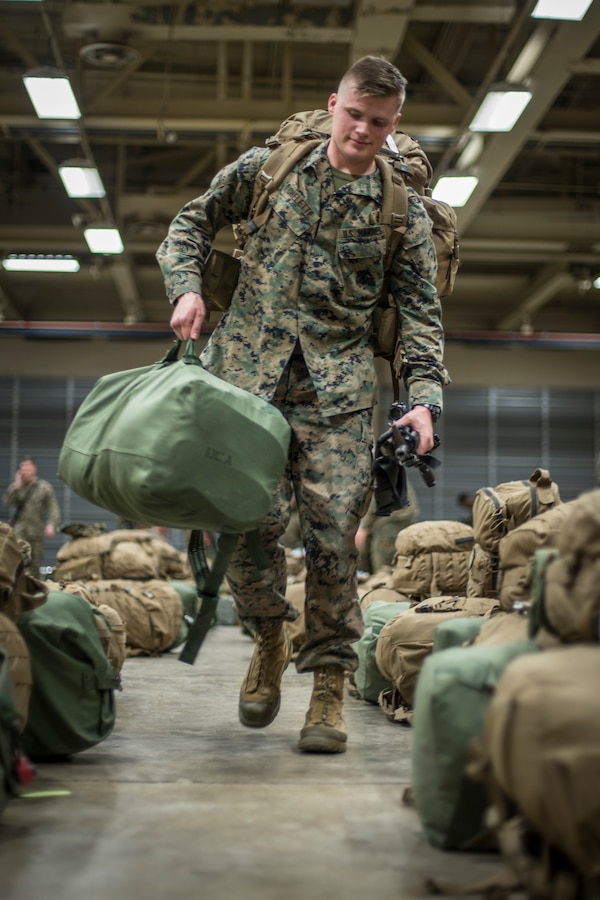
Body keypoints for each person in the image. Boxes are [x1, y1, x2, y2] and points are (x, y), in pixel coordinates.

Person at [156, 55, 449, 754]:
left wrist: (424, 402)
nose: (363, 131)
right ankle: (268, 635)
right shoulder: (266, 170)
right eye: (354, 114)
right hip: (244, 386)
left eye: (379, 122)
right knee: (236, 532)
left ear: (394, 123)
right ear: (333, 105)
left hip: (339, 400)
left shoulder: (400, 211)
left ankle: (326, 687)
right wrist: (186, 288)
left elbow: (419, 313)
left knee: (330, 547)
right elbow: (189, 224)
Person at [3, 456, 61, 575]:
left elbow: (53, 508)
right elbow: (7, 502)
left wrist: (51, 524)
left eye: (28, 468)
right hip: (19, 532)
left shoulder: (44, 488)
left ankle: (35, 590)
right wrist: (16, 487)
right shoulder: (17, 487)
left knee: (35, 565)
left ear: (34, 469)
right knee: (17, 563)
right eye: (23, 468)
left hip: (36, 533)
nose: (26, 471)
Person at [356, 476, 420, 574]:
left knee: (385, 570)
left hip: (392, 520)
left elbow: (378, 494)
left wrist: (364, 526)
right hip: (389, 518)